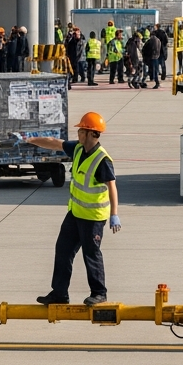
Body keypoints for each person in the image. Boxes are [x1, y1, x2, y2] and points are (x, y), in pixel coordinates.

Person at [29, 112, 121, 306]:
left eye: (81, 130)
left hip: (93, 217)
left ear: (91, 133)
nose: (78, 133)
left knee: (91, 254)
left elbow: (112, 186)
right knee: (63, 250)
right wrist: (31, 140)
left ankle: (99, 293)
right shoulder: (78, 149)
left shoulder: (102, 159)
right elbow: (55, 143)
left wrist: (114, 214)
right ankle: (59, 293)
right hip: (75, 213)